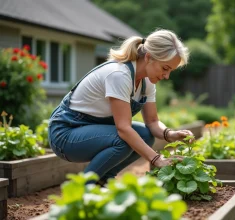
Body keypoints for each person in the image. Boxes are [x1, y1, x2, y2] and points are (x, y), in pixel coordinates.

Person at [48, 29, 193, 184]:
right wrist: (157, 159)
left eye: (170, 70)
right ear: (150, 57)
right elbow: (123, 129)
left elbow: (152, 122)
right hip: (65, 133)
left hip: (90, 130)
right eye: (165, 68)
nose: (167, 76)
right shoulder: (119, 75)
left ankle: (103, 180)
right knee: (124, 138)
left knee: (146, 135)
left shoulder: (147, 82)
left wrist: (170, 134)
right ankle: (85, 187)